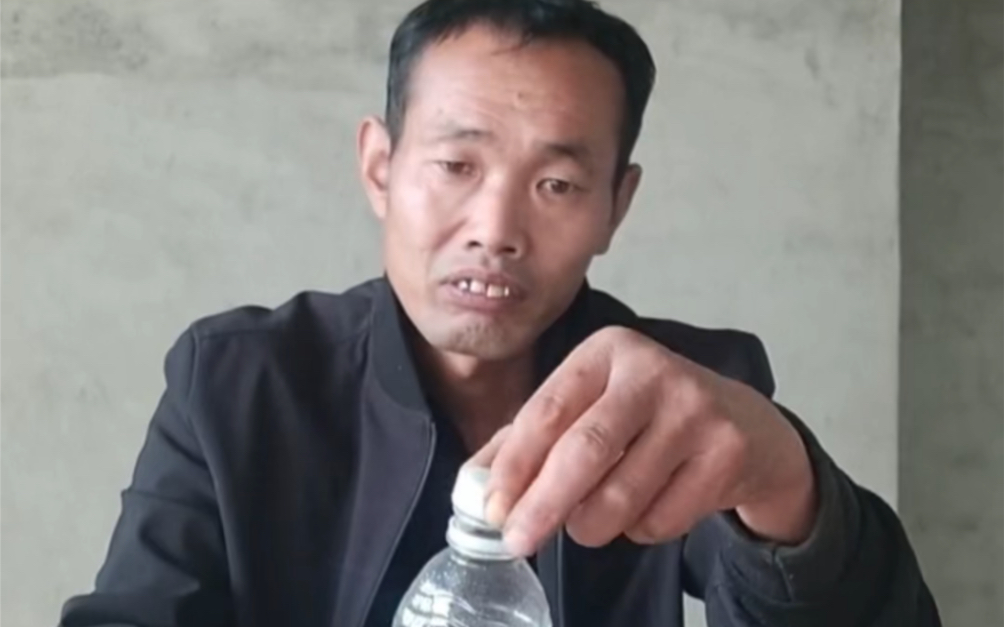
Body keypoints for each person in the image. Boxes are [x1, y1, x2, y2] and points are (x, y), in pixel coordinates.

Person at [60, 1, 941, 625]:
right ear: (380, 168)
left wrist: (785, 481)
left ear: (615, 205)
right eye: (457, 165)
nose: (496, 230)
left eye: (556, 184)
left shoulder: (683, 392)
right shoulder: (236, 380)